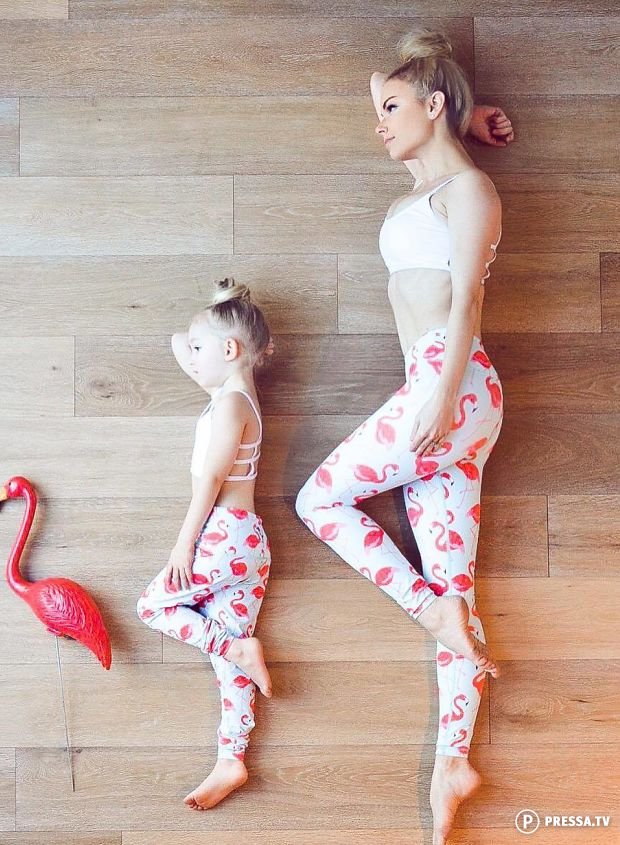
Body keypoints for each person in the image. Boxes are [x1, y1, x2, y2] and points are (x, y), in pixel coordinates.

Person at [295, 28, 514, 845]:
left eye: (392, 107)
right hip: (441, 393)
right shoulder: (430, 187)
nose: (378, 121)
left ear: (433, 103)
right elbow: (414, 106)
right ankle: (454, 762)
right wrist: (468, 115)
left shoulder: (471, 191)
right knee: (457, 588)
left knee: (319, 501)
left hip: (450, 385)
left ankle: (430, 611)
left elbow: (467, 305)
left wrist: (441, 396)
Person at [137, 277, 274, 810]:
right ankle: (231, 758)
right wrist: (212, 321)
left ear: (230, 351)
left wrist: (182, 546)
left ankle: (235, 648)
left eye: (200, 350)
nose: (188, 357)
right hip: (244, 542)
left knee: (152, 607)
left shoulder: (231, 405)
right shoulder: (232, 395)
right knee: (230, 666)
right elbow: (179, 342)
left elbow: (211, 481)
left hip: (222, 532)